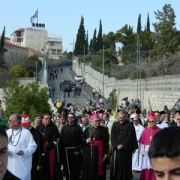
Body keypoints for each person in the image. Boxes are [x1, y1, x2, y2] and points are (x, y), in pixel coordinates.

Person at [7, 114, 37, 180]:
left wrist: (24, 151)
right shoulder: (7, 132)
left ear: (16, 122)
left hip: (22, 167)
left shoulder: (26, 133)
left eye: (9, 120)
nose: (8, 122)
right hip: (9, 166)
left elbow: (33, 146)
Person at [110, 111, 138, 180]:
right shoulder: (115, 125)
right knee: (116, 165)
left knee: (126, 166)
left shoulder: (130, 125)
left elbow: (131, 136)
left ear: (125, 117)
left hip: (126, 150)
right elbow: (112, 136)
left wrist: (123, 145)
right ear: (117, 117)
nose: (121, 119)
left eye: (123, 118)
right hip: (117, 150)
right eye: (120, 118)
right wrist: (117, 145)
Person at [82, 113, 109, 180]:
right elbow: (82, 140)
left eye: (98, 121)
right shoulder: (87, 129)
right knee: (91, 168)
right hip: (90, 152)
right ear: (92, 121)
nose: (97, 122)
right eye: (96, 121)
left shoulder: (104, 129)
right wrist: (87, 140)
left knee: (100, 168)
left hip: (100, 152)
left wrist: (106, 152)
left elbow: (106, 142)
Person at [37, 113, 63, 180]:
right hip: (40, 149)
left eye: (49, 118)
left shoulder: (53, 127)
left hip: (50, 150)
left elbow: (54, 140)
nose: (48, 120)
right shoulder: (39, 127)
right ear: (42, 119)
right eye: (46, 119)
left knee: (51, 167)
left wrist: (46, 148)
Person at [139, 112, 161, 180]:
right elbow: (142, 143)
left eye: (152, 121)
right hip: (146, 152)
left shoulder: (160, 131)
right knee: (147, 166)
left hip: (156, 152)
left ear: (156, 121)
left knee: (155, 167)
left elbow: (162, 144)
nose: (151, 122)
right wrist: (142, 151)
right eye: (150, 121)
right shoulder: (145, 131)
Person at [61, 113, 83, 180]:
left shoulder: (78, 127)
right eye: (69, 117)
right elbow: (61, 139)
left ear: (74, 118)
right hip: (67, 151)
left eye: (71, 117)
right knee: (68, 168)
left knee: (76, 167)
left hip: (76, 150)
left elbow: (81, 139)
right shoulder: (64, 128)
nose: (70, 118)